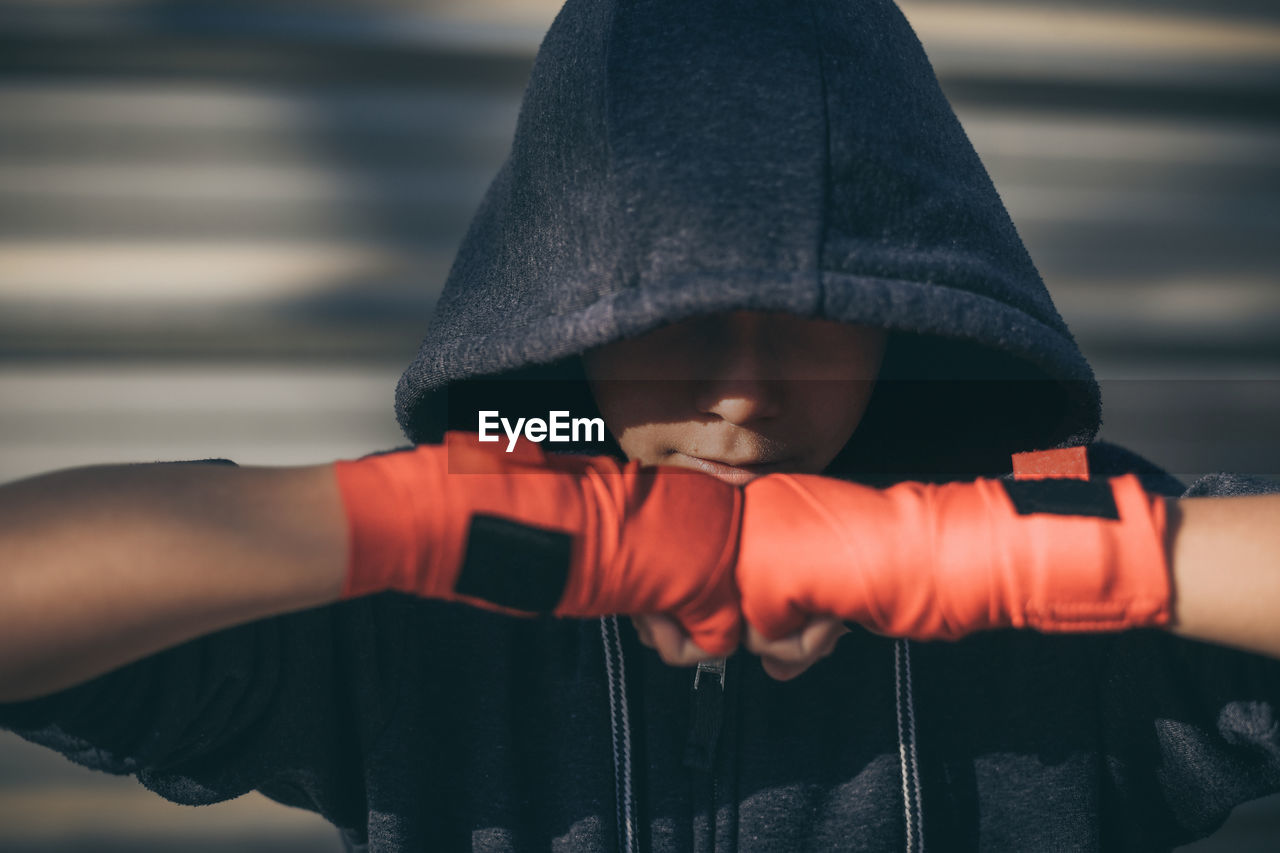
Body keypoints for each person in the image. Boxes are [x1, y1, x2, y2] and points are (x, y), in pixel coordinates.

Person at [2, 1, 1278, 850]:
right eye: (670, 317)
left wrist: (978, 556)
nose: (740, 392)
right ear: (561, 326)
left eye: (814, 314)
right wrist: (412, 521)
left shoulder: (1052, 549)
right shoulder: (433, 580)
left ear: (910, 319)